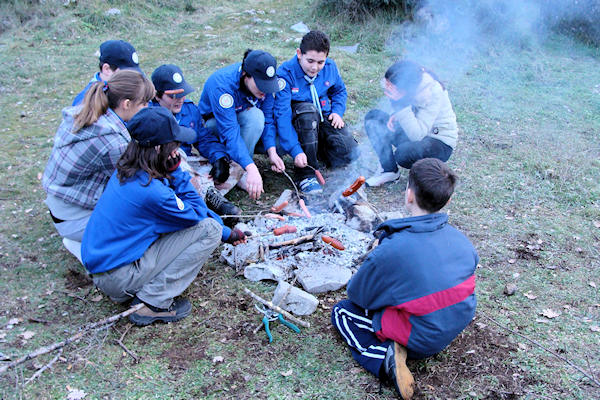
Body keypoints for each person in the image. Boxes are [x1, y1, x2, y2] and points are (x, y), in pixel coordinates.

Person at [81, 107, 247, 326]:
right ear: (159, 148)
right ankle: (152, 303)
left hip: (106, 268)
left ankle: (137, 290)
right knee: (210, 230)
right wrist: (178, 172)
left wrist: (228, 234)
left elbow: (185, 214)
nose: (177, 149)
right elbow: (197, 214)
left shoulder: (130, 169)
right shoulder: (152, 193)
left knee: (209, 227)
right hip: (119, 277)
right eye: (174, 145)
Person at [331, 158, 478, 399]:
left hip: (423, 339)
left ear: (409, 195)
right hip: (455, 322)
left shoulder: (392, 250)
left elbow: (357, 295)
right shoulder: (463, 241)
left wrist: (378, 257)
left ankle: (384, 358)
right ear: (448, 200)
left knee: (342, 312)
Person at [43, 70, 155, 252]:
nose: (147, 107)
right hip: (74, 218)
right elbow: (137, 183)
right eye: (143, 103)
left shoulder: (85, 112)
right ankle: (88, 248)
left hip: (59, 205)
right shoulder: (112, 140)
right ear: (127, 104)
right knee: (145, 220)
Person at [150, 64, 241, 218]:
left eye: (182, 94)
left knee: (235, 166)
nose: (180, 100)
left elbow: (204, 138)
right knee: (175, 154)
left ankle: (203, 193)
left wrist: (219, 158)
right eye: (173, 96)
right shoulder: (149, 115)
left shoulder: (189, 109)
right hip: (164, 167)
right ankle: (207, 194)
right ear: (157, 96)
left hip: (189, 163)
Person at [273, 30, 358, 195]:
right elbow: (282, 115)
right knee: (307, 112)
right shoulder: (286, 74)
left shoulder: (330, 68)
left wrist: (337, 112)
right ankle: (306, 173)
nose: (315, 67)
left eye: (320, 62)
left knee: (350, 152)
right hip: (299, 122)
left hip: (323, 117)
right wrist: (295, 150)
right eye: (310, 61)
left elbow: (339, 91)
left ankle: (319, 154)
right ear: (299, 54)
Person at [198, 49, 281, 200]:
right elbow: (230, 132)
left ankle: (242, 162)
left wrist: (272, 151)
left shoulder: (264, 83)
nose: (265, 90)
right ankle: (240, 169)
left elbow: (268, 118)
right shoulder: (222, 86)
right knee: (254, 117)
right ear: (245, 75)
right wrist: (251, 167)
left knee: (278, 141)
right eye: (261, 85)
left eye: (268, 85)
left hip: (243, 126)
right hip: (214, 127)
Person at [364, 60, 458, 187]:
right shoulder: (411, 85)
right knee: (374, 118)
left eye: (392, 88)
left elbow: (417, 134)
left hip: (438, 142)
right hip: (418, 132)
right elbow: (411, 111)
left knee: (404, 154)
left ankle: (420, 179)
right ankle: (388, 170)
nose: (389, 90)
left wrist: (399, 105)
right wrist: (395, 114)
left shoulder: (431, 92)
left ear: (405, 87)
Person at [72, 40, 143, 106]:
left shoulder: (130, 88)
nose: (133, 79)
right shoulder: (85, 101)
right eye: (126, 74)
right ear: (107, 69)